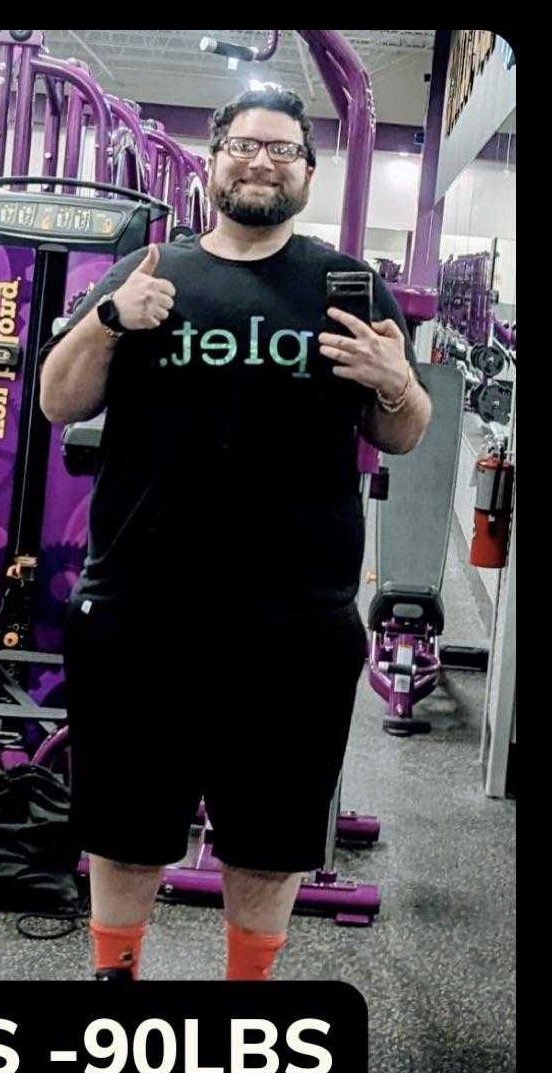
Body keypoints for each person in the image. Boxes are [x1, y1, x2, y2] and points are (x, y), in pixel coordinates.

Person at [38, 87, 430, 984]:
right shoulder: (147, 270)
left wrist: (395, 379)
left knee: (270, 837)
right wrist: (107, 319)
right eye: (246, 145)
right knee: (127, 829)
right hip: (143, 603)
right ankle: (115, 989)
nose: (261, 161)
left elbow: (399, 434)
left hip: (294, 617)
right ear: (214, 157)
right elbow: (61, 400)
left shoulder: (348, 284)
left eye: (283, 150)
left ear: (307, 171)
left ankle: (244, 1002)